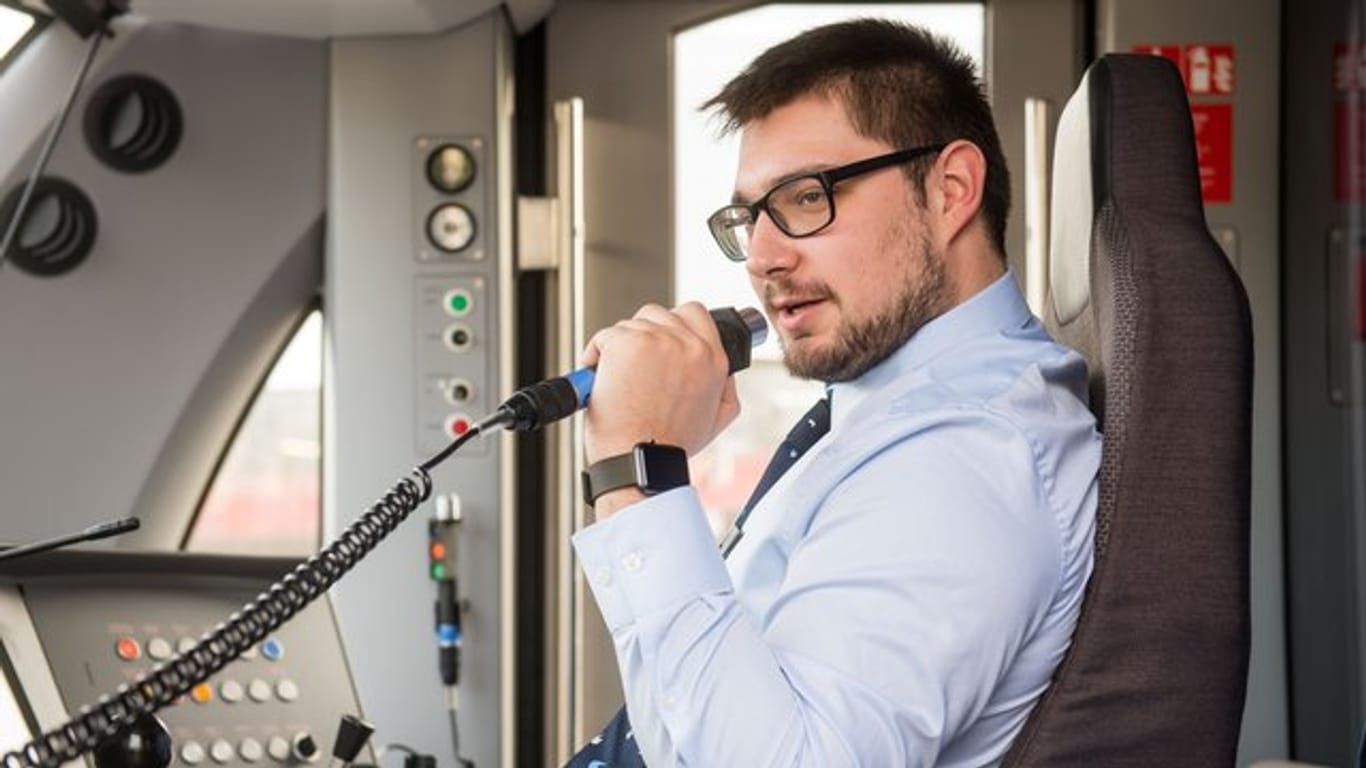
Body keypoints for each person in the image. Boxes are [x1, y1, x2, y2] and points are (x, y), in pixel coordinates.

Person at [568, 18, 1101, 767]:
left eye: (806, 198)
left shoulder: (967, 454)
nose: (761, 257)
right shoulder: (886, 414)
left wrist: (637, 471)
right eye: (750, 217)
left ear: (950, 191)